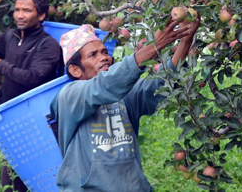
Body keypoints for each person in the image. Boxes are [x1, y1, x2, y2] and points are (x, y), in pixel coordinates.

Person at [50, 15, 200, 192]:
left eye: (105, 52)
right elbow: (105, 84)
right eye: (93, 55)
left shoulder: (123, 95)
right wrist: (154, 46)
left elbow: (161, 86)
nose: (103, 57)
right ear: (75, 70)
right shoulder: (69, 96)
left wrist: (185, 40)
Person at [0, 0, 63, 192]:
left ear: (41, 15)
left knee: (46, 180)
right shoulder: (10, 37)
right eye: (17, 9)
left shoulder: (48, 45)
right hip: (12, 123)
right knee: (10, 184)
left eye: (26, 10)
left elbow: (32, 78)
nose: (19, 15)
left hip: (38, 122)